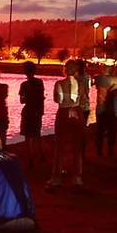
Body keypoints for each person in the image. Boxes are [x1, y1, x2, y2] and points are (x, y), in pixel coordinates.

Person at [48, 60, 85, 191]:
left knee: (60, 146)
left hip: (63, 112)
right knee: (77, 146)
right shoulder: (80, 84)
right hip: (76, 112)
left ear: (64, 69)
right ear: (76, 70)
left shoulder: (59, 83)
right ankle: (77, 177)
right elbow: (81, 99)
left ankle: (56, 177)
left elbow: (57, 99)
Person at [18, 60, 47, 167]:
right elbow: (41, 98)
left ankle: (30, 158)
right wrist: (41, 111)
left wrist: (27, 97)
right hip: (37, 111)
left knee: (27, 136)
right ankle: (41, 154)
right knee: (37, 134)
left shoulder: (24, 85)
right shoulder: (39, 82)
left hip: (28, 110)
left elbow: (22, 101)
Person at [93, 62, 117, 157]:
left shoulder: (98, 78)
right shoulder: (115, 79)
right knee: (112, 130)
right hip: (112, 108)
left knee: (100, 130)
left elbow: (94, 80)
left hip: (100, 108)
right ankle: (110, 150)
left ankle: (99, 151)